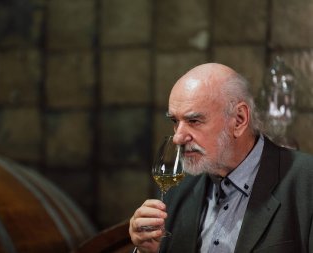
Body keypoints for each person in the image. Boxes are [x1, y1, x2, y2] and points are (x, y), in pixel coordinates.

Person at [129, 63, 313, 253]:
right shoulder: (179, 187)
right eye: (175, 121)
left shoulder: (306, 181)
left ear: (239, 119)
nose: (177, 137)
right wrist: (146, 251)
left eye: (194, 121)